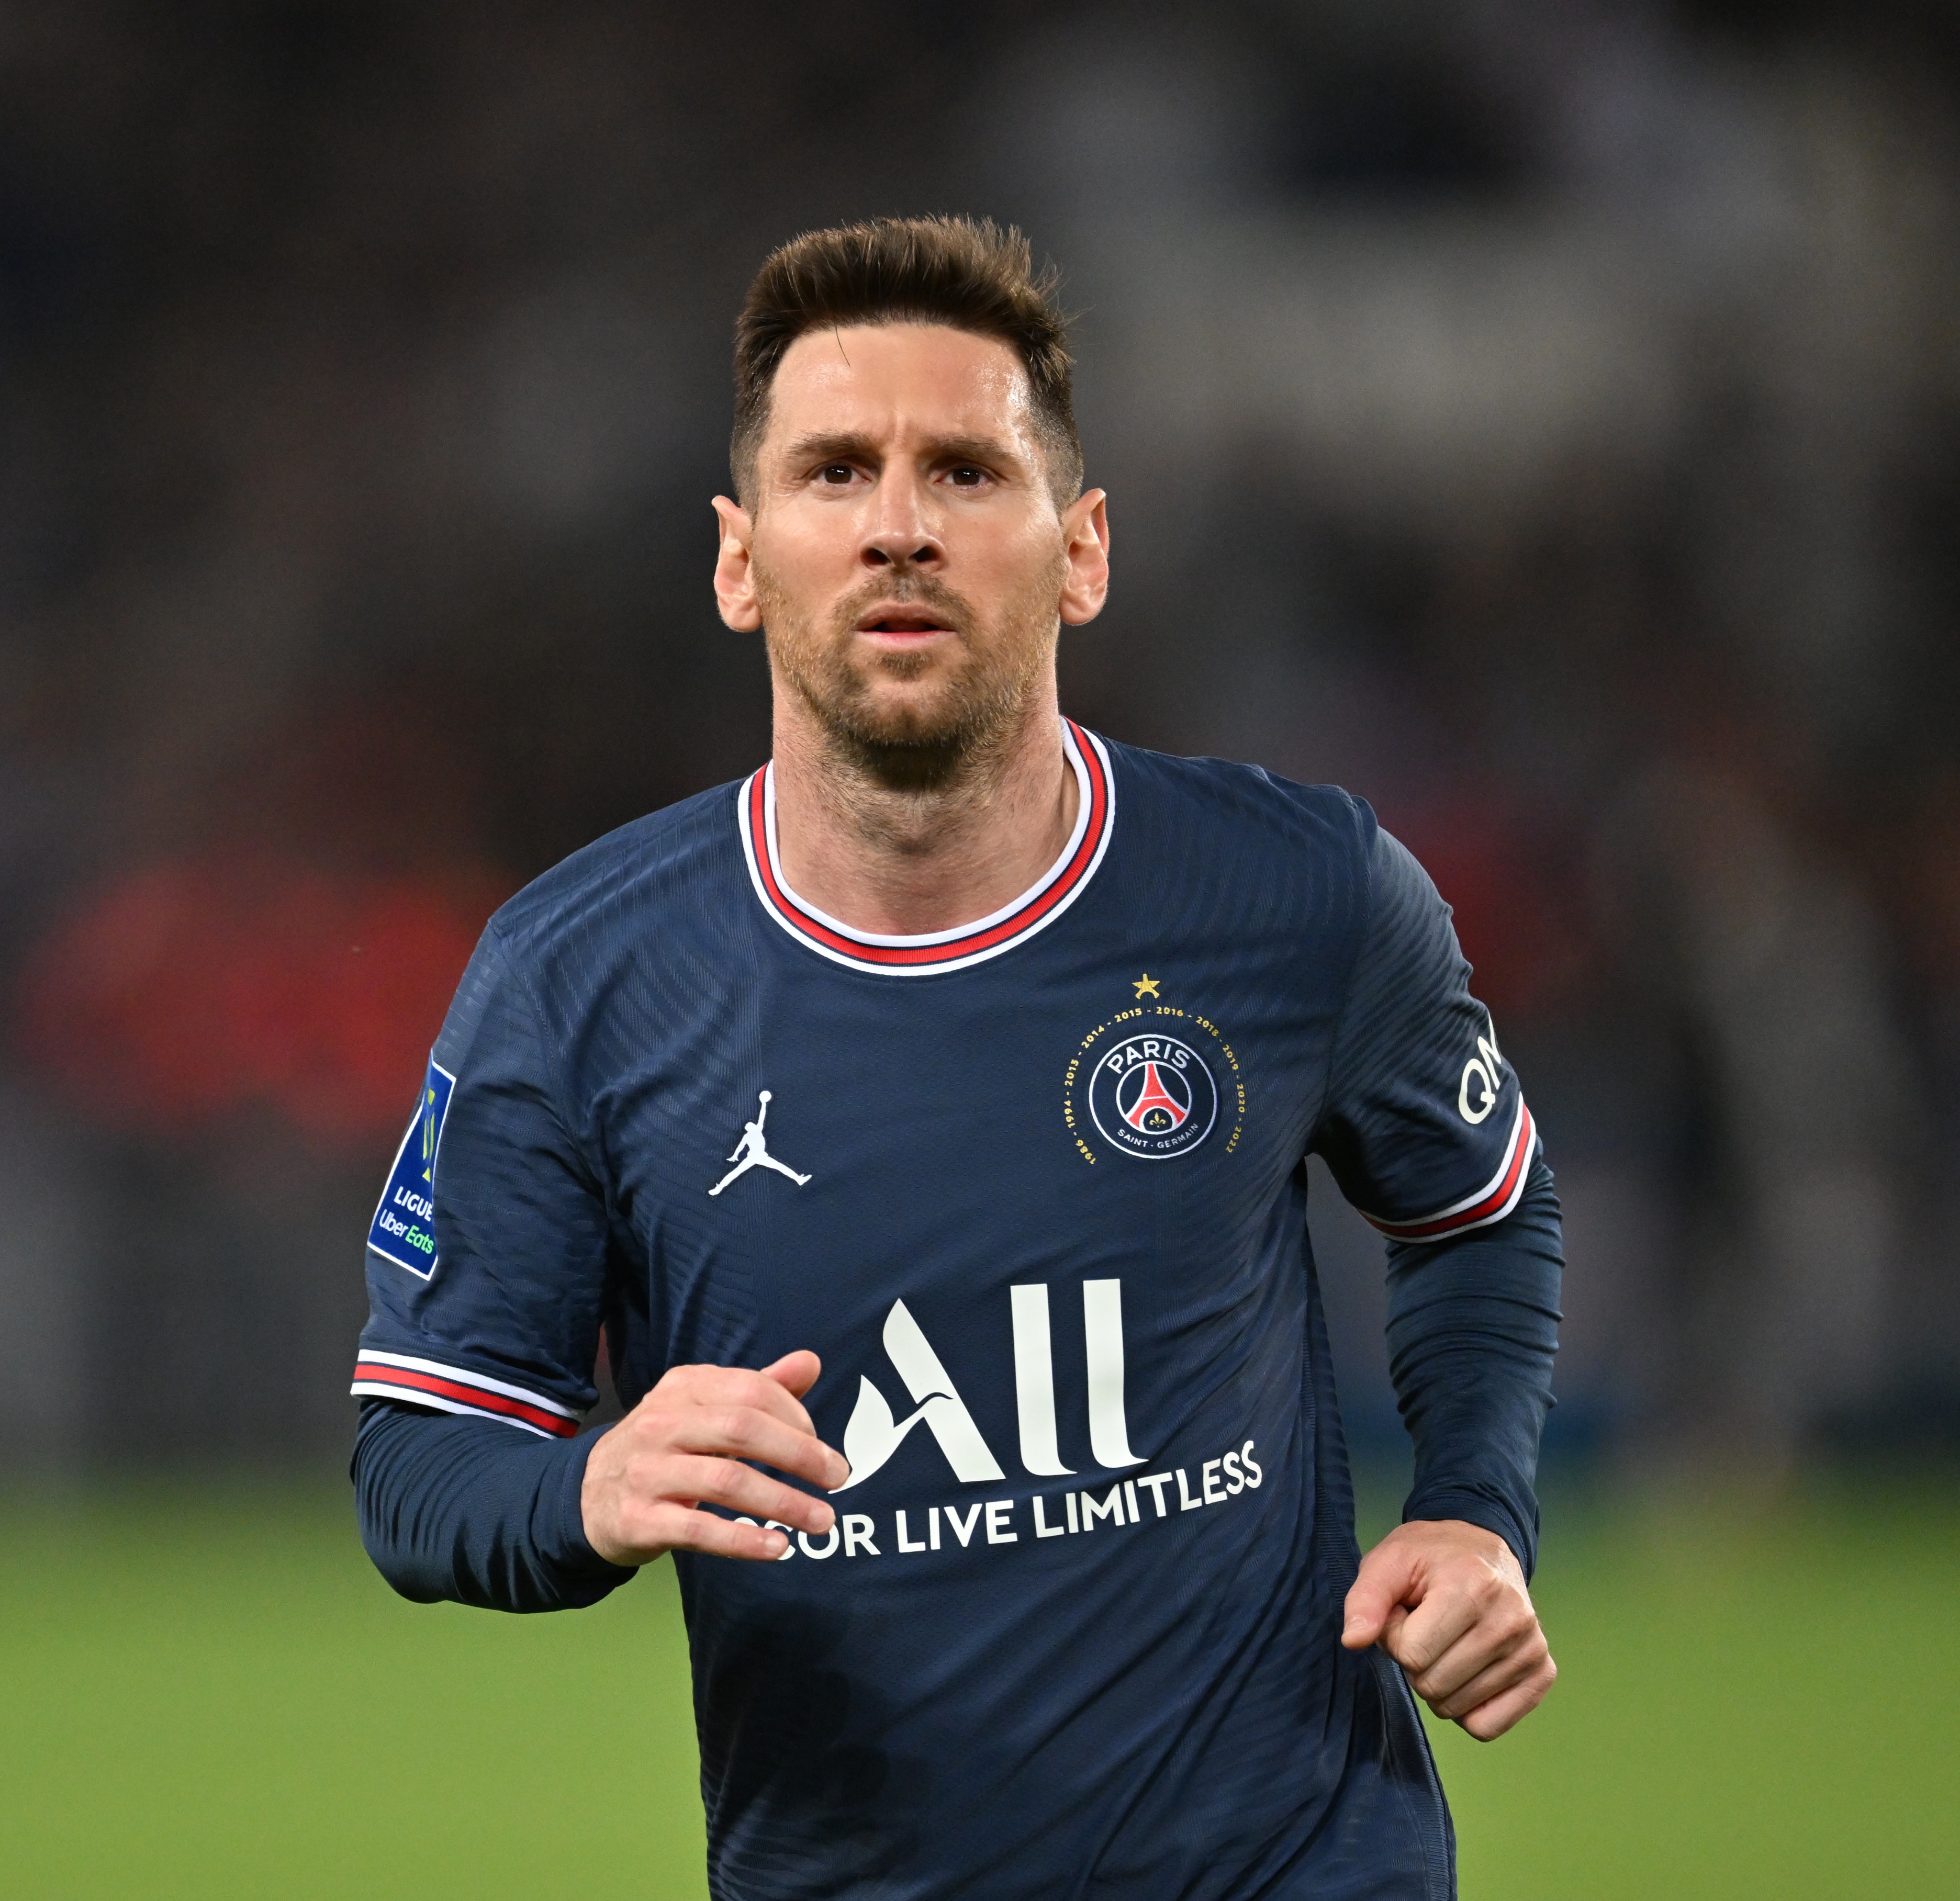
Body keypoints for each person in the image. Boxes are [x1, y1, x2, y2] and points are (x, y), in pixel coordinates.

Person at [351, 216, 1561, 1901]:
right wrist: (591, 1483)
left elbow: (1479, 1211)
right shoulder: (575, 980)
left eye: (966, 473)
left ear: (1081, 551)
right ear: (737, 556)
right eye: (835, 471)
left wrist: (1475, 1506)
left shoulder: (1301, 894)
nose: (899, 526)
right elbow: (419, 1455)